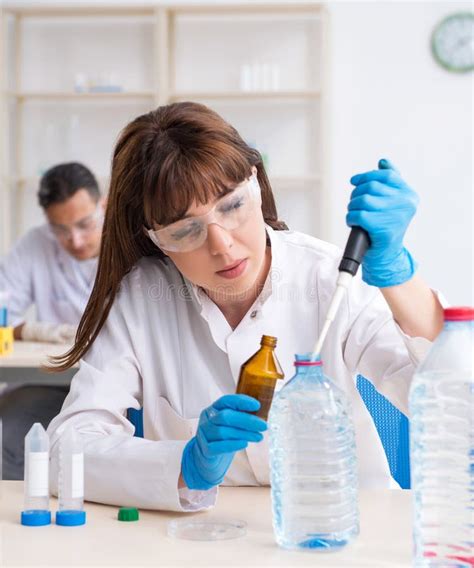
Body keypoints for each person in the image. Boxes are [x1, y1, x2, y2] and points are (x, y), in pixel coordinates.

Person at [47, 102, 444, 512]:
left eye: (232, 205)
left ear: (255, 183)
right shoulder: (142, 299)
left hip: (345, 525)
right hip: (210, 540)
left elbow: (455, 413)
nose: (221, 245)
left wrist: (398, 277)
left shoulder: (328, 278)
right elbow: (66, 451)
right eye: (185, 230)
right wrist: (184, 466)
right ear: (155, 238)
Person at [0, 162, 105, 479]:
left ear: (104, 205)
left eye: (85, 224)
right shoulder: (35, 244)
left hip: (114, 383)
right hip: (52, 382)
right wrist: (35, 330)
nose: (74, 239)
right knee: (14, 423)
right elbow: (2, 310)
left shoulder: (130, 243)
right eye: (61, 229)